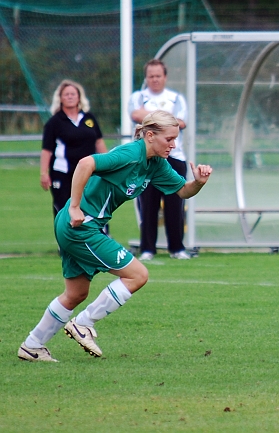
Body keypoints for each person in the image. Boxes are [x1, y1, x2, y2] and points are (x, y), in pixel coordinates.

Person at [18, 111, 213, 362]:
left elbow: (183, 191)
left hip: (77, 224)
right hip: (80, 225)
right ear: (150, 136)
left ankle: (32, 345)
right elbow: (85, 164)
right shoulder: (131, 154)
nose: (174, 145)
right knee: (138, 274)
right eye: (170, 139)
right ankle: (83, 323)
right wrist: (76, 207)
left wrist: (198, 182)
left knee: (76, 293)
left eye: (176, 139)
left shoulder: (156, 164)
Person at [128, 59, 190, 260]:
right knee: (148, 204)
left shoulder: (176, 98)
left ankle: (177, 247)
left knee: (174, 204)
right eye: (151, 76)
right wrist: (164, 118)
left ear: (165, 77)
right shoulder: (138, 97)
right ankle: (148, 248)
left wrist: (153, 118)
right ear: (146, 78)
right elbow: (137, 115)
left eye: (158, 76)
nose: (154, 80)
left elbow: (181, 122)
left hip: (173, 157)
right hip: (146, 158)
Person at [40, 80, 107, 216]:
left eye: (73, 94)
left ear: (79, 97)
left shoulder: (89, 118)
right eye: (66, 94)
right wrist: (43, 173)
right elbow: (47, 150)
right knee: (65, 208)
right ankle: (66, 236)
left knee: (91, 207)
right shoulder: (55, 122)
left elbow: (99, 142)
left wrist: (107, 164)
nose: (70, 97)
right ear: (60, 98)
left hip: (88, 171)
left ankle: (96, 235)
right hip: (63, 172)